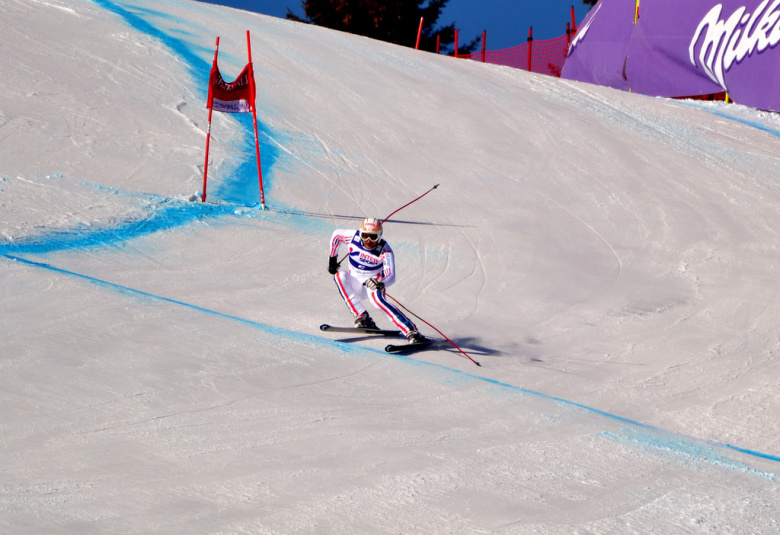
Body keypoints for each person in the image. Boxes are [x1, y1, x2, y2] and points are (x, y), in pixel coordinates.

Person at [328, 217, 426, 343]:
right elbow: (336, 235)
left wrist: (380, 284)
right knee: (339, 276)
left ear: (379, 236)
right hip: (355, 283)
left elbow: (391, 275)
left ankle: (411, 331)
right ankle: (362, 317)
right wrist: (332, 259)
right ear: (360, 233)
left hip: (372, 284)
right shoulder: (353, 237)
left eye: (373, 237)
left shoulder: (385, 250)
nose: (368, 241)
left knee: (377, 302)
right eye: (365, 236)